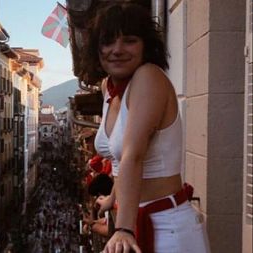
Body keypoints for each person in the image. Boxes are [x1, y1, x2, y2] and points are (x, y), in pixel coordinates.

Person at [87, 3, 211, 253]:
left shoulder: (148, 77)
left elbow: (134, 154)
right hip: (139, 217)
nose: (117, 50)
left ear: (146, 45)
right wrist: (112, 198)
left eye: (129, 40)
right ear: (96, 49)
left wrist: (123, 229)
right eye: (108, 42)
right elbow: (120, 162)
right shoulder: (108, 89)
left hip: (168, 226)